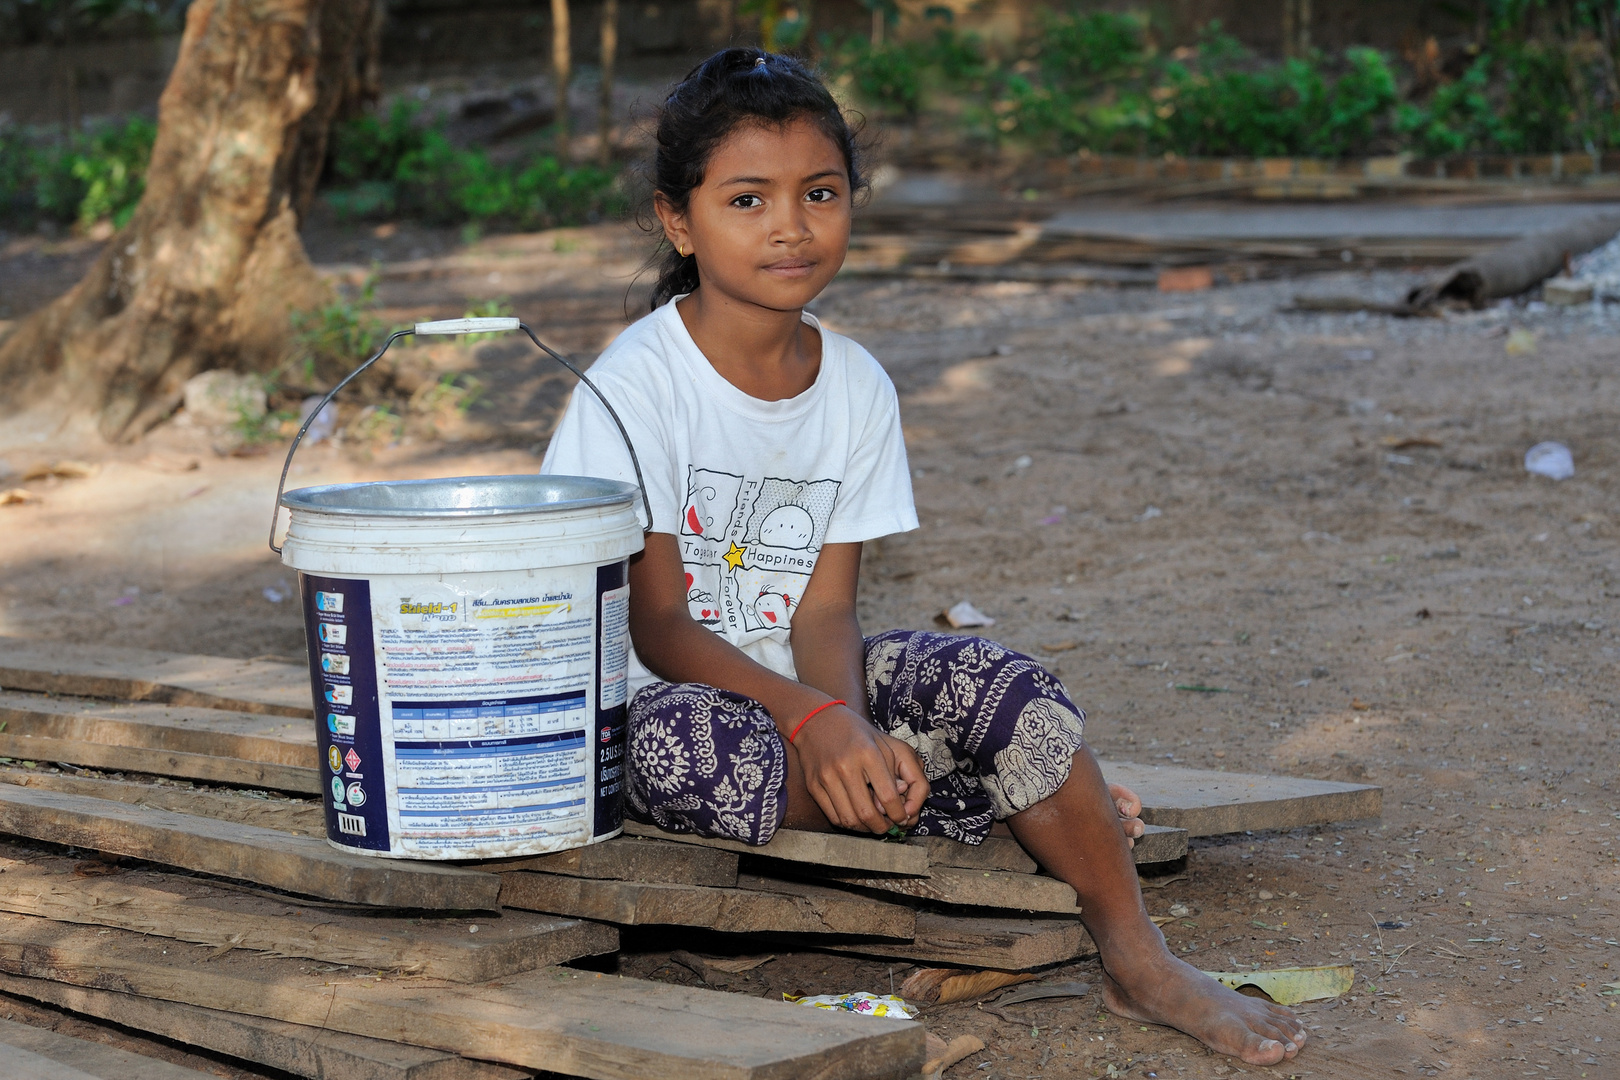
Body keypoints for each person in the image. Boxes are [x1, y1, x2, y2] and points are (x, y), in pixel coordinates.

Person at [541, 47, 1307, 1066]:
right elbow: (662, 625)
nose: (790, 225)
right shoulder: (636, 386)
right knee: (688, 750)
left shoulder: (856, 385)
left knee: (999, 682)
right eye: (746, 198)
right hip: (650, 696)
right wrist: (818, 724)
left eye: (820, 192)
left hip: (798, 686)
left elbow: (822, 616)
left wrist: (847, 721)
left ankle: (1139, 958)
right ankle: (1016, 802)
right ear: (679, 220)